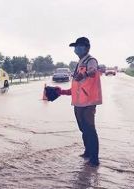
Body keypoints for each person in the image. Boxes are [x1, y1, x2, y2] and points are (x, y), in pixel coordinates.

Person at [56, 37, 102, 167]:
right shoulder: (79, 63)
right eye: (75, 46)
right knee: (83, 129)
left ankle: (94, 159)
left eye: (79, 46)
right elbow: (77, 86)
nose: (76, 49)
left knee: (90, 129)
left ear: (87, 48)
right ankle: (87, 152)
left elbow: (93, 71)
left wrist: (85, 74)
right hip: (78, 103)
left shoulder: (90, 60)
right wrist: (62, 92)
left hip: (88, 102)